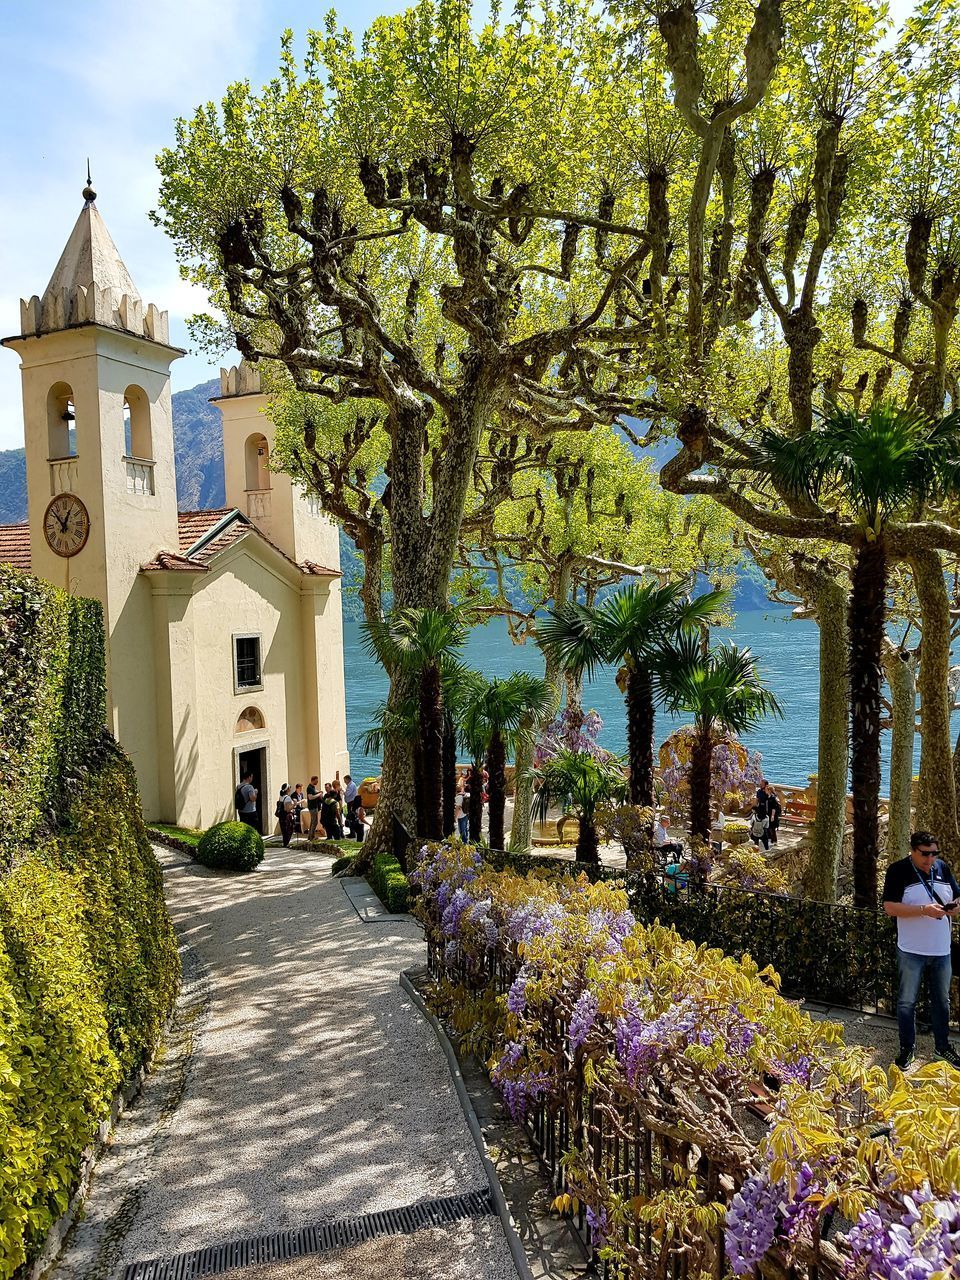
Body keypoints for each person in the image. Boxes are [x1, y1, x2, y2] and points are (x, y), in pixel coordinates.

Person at [882, 830, 960, 1069]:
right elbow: (889, 907)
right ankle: (907, 1049)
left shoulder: (943, 869)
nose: (930, 859)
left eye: (934, 853)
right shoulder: (898, 871)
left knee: (942, 1002)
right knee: (907, 1002)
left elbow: (958, 897)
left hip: (941, 951)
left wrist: (954, 907)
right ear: (913, 851)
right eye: (925, 854)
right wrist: (923, 910)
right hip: (911, 950)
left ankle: (942, 1048)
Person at [306, 776, 322, 841]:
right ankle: (312, 837)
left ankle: (310, 836)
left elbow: (314, 791)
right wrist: (319, 794)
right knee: (314, 822)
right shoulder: (309, 788)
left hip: (314, 807)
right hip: (312, 807)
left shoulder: (312, 787)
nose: (317, 782)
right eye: (316, 781)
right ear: (313, 780)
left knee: (313, 822)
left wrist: (318, 792)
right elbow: (310, 797)